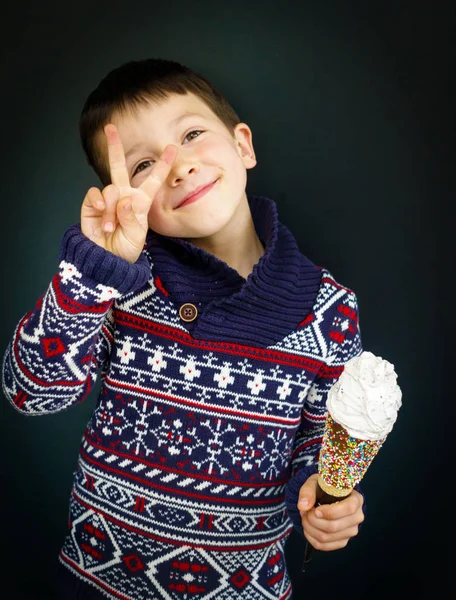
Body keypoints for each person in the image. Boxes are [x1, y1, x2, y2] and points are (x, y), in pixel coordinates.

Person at [2, 58, 365, 600]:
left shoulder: (331, 312)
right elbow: (30, 392)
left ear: (243, 144)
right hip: (94, 584)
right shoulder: (124, 280)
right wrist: (90, 273)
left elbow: (317, 449)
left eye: (192, 134)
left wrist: (321, 498)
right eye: (143, 164)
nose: (178, 167)